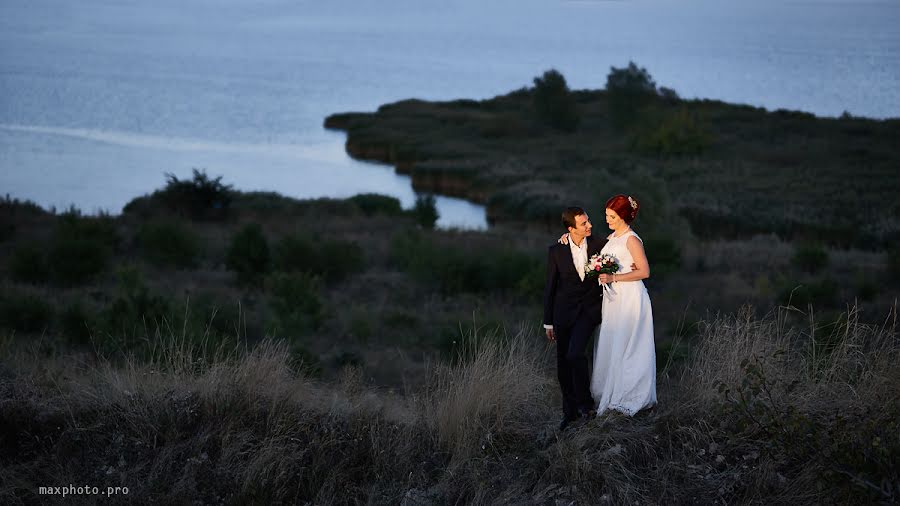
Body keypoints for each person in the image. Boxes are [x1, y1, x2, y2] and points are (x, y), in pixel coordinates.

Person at [559, 195, 657, 416]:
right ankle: (612, 392)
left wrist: (614, 278)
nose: (607, 220)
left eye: (611, 216)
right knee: (615, 345)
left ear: (623, 216)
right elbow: (587, 245)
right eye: (606, 216)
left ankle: (633, 396)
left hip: (630, 298)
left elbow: (644, 271)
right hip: (613, 301)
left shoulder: (632, 240)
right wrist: (568, 236)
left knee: (631, 347)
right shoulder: (612, 238)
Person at [542, 207, 606, 430]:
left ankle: (586, 405)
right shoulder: (556, 251)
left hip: (588, 312)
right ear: (571, 229)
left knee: (576, 353)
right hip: (563, 314)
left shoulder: (600, 244)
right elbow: (550, 288)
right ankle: (569, 413)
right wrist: (548, 321)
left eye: (588, 221)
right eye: (583, 224)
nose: (589, 225)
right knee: (563, 364)